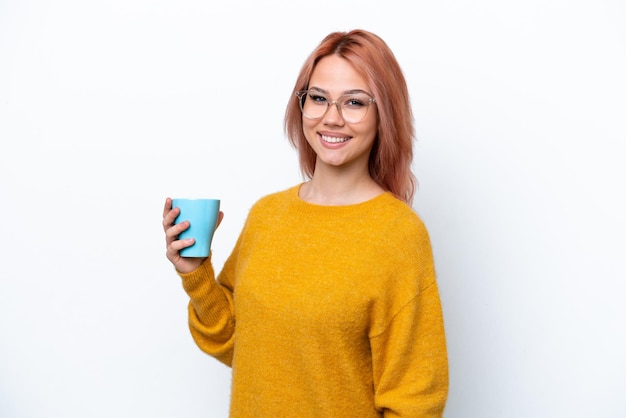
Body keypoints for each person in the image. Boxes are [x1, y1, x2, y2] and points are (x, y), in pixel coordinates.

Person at [162, 29, 448, 417]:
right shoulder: (268, 215)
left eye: (355, 102)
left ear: (385, 113)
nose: (332, 118)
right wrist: (196, 274)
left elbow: (415, 399)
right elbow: (234, 342)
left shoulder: (398, 235)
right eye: (318, 98)